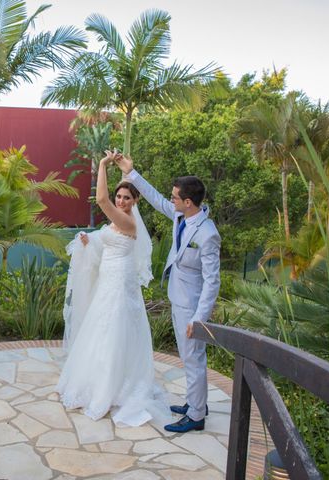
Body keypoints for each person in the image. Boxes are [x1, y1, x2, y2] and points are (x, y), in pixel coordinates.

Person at [57, 150, 170, 427]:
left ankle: (113, 387)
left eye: (126, 198)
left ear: (135, 201)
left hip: (119, 283)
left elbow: (100, 199)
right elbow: (103, 240)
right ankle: (94, 381)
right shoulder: (115, 221)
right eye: (119, 197)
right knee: (100, 328)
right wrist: (89, 241)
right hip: (108, 280)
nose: (120, 201)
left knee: (114, 329)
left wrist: (105, 164)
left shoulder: (128, 222)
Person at [115, 154, 221, 434]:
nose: (171, 200)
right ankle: (195, 402)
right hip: (178, 298)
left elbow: (212, 282)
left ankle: (196, 416)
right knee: (189, 358)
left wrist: (199, 319)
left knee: (193, 358)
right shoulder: (180, 216)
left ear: (189, 201)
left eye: (176, 197)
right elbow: (156, 199)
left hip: (192, 307)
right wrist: (131, 172)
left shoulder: (208, 234)